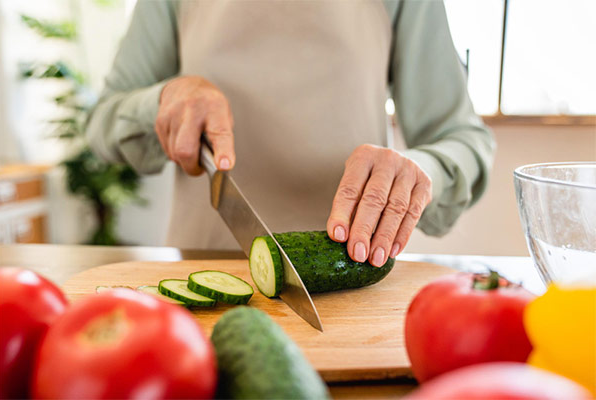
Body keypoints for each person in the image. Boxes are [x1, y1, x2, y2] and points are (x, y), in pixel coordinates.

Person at [86, 0, 495, 267]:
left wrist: (418, 171)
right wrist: (164, 101)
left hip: (347, 275)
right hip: (203, 268)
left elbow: (463, 138)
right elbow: (103, 121)